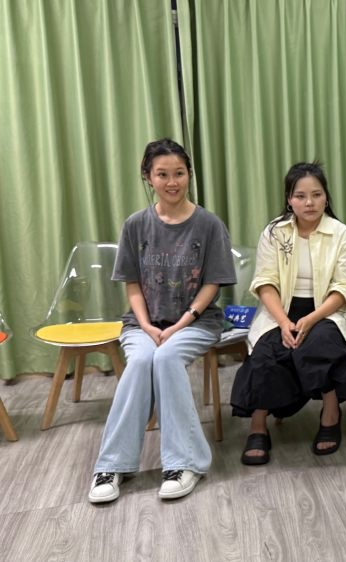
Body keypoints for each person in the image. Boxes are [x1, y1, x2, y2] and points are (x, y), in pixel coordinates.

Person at [88, 138, 236, 504]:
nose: (172, 182)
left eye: (179, 173)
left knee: (167, 357)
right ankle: (112, 466)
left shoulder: (209, 225)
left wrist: (180, 324)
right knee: (141, 360)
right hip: (143, 323)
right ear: (148, 177)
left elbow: (212, 284)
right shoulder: (135, 225)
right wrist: (148, 326)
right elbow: (133, 285)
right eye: (162, 174)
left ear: (189, 175)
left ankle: (184, 463)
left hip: (197, 322)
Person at [229, 162, 346, 465]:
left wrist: (311, 319)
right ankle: (258, 424)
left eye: (316, 195)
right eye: (300, 196)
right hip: (282, 309)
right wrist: (284, 322)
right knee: (266, 351)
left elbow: (345, 288)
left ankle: (331, 412)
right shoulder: (275, 232)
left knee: (318, 344)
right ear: (289, 200)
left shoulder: (341, 234)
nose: (309, 202)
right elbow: (265, 282)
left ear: (326, 198)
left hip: (329, 310)